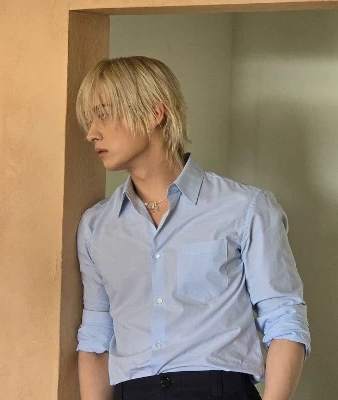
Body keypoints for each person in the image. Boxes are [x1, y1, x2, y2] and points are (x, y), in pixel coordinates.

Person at [75, 56, 310, 400]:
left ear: (154, 114)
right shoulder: (96, 226)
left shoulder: (245, 207)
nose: (91, 132)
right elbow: (96, 338)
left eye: (104, 115)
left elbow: (284, 318)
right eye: (91, 119)